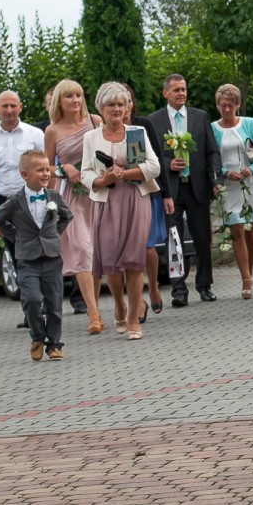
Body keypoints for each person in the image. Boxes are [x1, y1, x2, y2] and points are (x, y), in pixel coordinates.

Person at [82, 83, 162, 340]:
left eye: (121, 104)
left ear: (127, 106)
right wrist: (103, 180)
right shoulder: (91, 137)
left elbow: (153, 166)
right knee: (111, 261)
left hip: (135, 198)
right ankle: (118, 303)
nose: (117, 109)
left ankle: (132, 319)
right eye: (111, 105)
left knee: (134, 260)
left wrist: (125, 174)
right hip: (106, 201)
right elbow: (85, 173)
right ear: (101, 109)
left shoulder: (136, 132)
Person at [0, 150, 74, 361]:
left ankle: (54, 344)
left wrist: (54, 233)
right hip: (27, 260)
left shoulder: (53, 196)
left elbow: (67, 215)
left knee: (54, 304)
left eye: (47, 169)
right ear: (25, 175)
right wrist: (16, 236)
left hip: (52, 258)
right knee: (32, 300)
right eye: (40, 170)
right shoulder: (15, 200)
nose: (46, 174)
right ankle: (37, 336)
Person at [147, 74, 222, 307]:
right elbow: (151, 154)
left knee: (202, 238)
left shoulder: (200, 117)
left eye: (184, 89)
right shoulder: (154, 121)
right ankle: (179, 290)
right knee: (174, 239)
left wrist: (215, 179)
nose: (181, 93)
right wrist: (167, 163)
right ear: (165, 93)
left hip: (197, 187)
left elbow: (212, 151)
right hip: (171, 189)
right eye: (176, 90)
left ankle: (204, 285)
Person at [0, 90, 45, 327]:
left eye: (13, 106)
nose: (9, 110)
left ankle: (42, 305)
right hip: (4, 203)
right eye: (4, 106)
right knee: (17, 258)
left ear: (21, 107)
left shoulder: (35, 134)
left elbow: (47, 169)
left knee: (38, 253)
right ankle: (30, 311)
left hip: (31, 199)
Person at [43, 79, 104, 332]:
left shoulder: (95, 121)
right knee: (81, 249)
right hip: (71, 196)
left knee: (101, 250)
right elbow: (46, 168)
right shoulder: (52, 131)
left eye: (78, 95)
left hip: (99, 191)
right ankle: (93, 314)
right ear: (59, 101)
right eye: (69, 96)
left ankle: (119, 306)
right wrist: (63, 167)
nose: (75, 100)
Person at [211, 83, 253, 300]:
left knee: (250, 231)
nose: (226, 110)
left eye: (230, 105)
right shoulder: (212, 128)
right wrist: (225, 173)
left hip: (250, 183)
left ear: (237, 105)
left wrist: (251, 169)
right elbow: (212, 159)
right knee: (235, 229)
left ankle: (250, 272)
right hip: (229, 187)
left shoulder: (249, 123)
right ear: (217, 106)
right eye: (222, 105)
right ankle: (245, 278)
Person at [121, 84, 168, 320]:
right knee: (128, 250)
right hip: (119, 196)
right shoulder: (103, 131)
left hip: (147, 192)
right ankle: (136, 302)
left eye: (126, 101)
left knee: (147, 247)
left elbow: (157, 160)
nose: (123, 107)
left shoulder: (143, 125)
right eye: (117, 102)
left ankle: (154, 286)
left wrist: (167, 194)